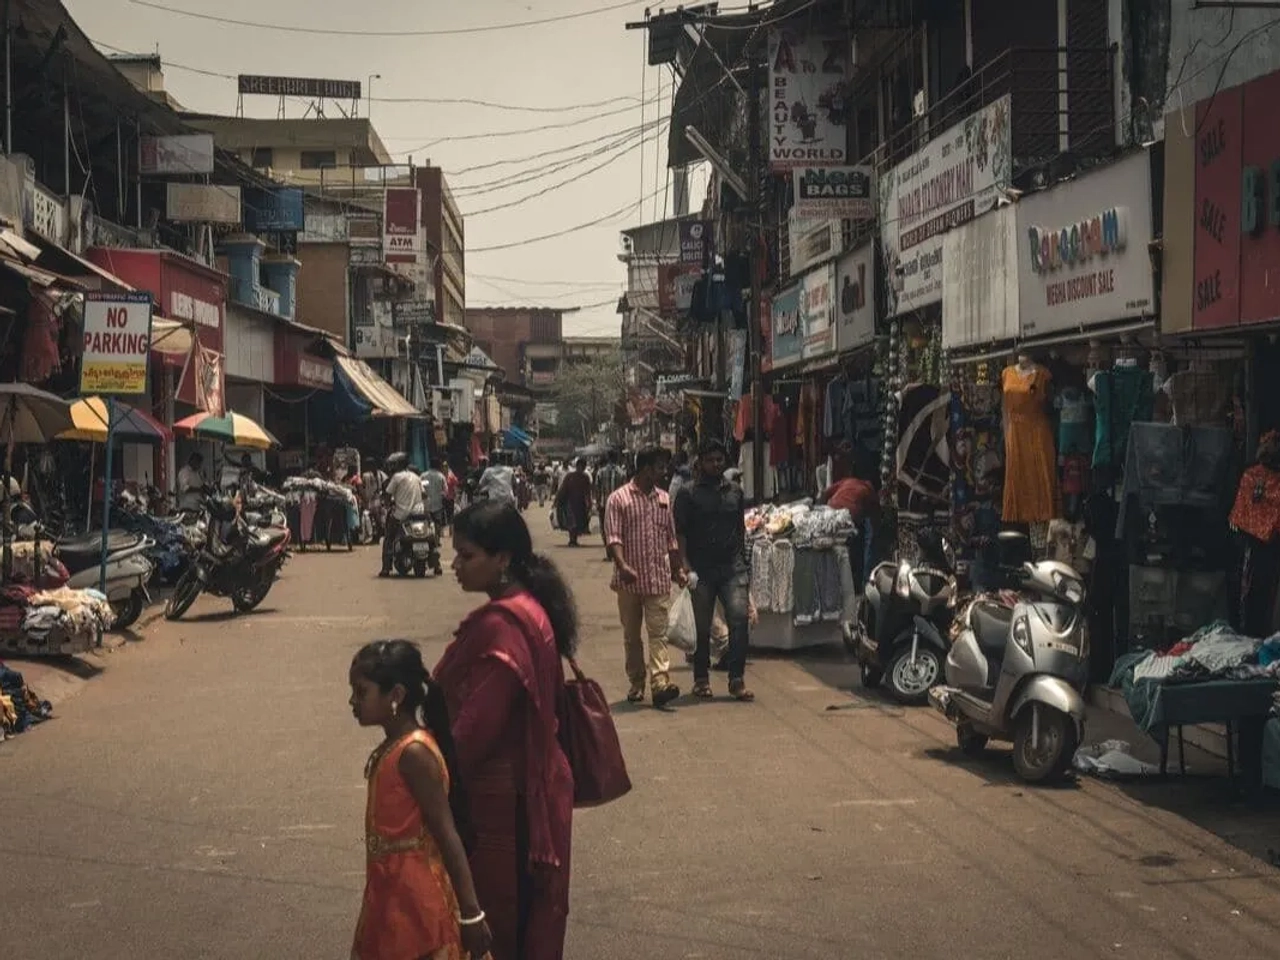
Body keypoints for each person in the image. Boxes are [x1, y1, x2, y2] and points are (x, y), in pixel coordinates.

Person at [435, 501, 574, 960]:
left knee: (500, 925)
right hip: (533, 788)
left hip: (505, 804)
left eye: (467, 555)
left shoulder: (501, 625)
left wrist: (427, 772)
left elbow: (475, 729)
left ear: (503, 559)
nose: (454, 565)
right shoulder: (528, 608)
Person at [348, 640, 492, 960]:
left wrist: (471, 914)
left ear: (396, 696)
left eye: (362, 692)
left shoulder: (414, 754)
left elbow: (447, 834)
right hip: (389, 892)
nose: (352, 701)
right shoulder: (393, 745)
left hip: (417, 900)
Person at [673, 438, 754, 702]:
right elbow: (680, 532)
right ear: (701, 463)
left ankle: (737, 679)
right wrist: (684, 564)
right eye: (710, 460)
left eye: (720, 460)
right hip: (702, 569)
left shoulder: (735, 492)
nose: (716, 464)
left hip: (733, 567)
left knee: (739, 620)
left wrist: (745, 564)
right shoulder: (688, 493)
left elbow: (740, 530)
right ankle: (701, 679)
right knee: (702, 627)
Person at [605, 446, 682, 707]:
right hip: (629, 581)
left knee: (658, 633)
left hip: (658, 579)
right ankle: (636, 682)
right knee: (631, 635)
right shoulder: (619, 499)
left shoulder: (663, 498)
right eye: (660, 467)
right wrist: (622, 564)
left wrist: (677, 569)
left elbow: (670, 538)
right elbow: (613, 537)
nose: (664, 472)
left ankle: (660, 683)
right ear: (646, 469)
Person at [380, 453, 424, 578]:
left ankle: (386, 567)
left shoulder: (396, 477)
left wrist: (388, 503)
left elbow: (387, 495)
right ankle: (436, 564)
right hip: (418, 513)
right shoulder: (416, 477)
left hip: (401, 514)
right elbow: (424, 494)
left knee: (388, 538)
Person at [593, 451, 627, 561]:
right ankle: (617, 553)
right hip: (619, 504)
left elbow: (597, 489)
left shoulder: (600, 472)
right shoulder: (622, 473)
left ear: (608, 458)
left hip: (604, 504)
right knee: (618, 528)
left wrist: (597, 502)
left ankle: (609, 553)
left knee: (605, 529)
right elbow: (625, 490)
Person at [553, 458, 592, 547]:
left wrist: (589, 502)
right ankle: (572, 540)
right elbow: (563, 489)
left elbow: (588, 491)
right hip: (571, 502)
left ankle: (573, 540)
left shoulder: (583, 477)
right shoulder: (571, 476)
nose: (582, 469)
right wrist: (557, 500)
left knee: (576, 521)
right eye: (581, 466)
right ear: (578, 466)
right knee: (573, 521)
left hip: (578, 502)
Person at [422, 463, 448, 534]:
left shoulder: (423, 475)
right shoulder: (441, 476)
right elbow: (445, 491)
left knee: (426, 521)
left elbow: (421, 488)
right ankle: (437, 537)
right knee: (438, 521)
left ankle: (427, 536)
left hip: (426, 503)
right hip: (438, 503)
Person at [443, 464, 459, 528]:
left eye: (445, 467)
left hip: (450, 497)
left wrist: (456, 495)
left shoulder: (451, 475)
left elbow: (455, 485)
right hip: (443, 498)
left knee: (450, 514)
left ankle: (451, 530)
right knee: (443, 515)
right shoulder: (441, 475)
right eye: (443, 467)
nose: (444, 468)